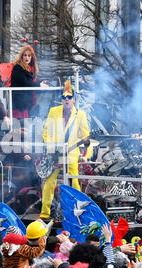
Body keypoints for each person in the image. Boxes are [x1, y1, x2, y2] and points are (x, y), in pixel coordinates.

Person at [39, 79, 90, 220]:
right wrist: (51, 147)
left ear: (74, 99)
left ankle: (79, 212)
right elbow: (46, 131)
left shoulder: (80, 115)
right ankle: (44, 214)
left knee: (74, 183)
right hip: (55, 154)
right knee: (49, 183)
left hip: (71, 154)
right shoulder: (53, 111)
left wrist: (86, 148)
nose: (66, 99)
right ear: (61, 99)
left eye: (69, 97)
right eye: (64, 97)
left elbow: (85, 135)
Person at [9, 45, 49, 120]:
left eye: (29, 55)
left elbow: (30, 82)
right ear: (22, 56)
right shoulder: (17, 68)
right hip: (19, 104)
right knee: (19, 127)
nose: (27, 57)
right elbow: (26, 83)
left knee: (26, 127)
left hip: (27, 103)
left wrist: (41, 82)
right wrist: (40, 85)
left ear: (32, 57)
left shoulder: (30, 69)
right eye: (25, 55)